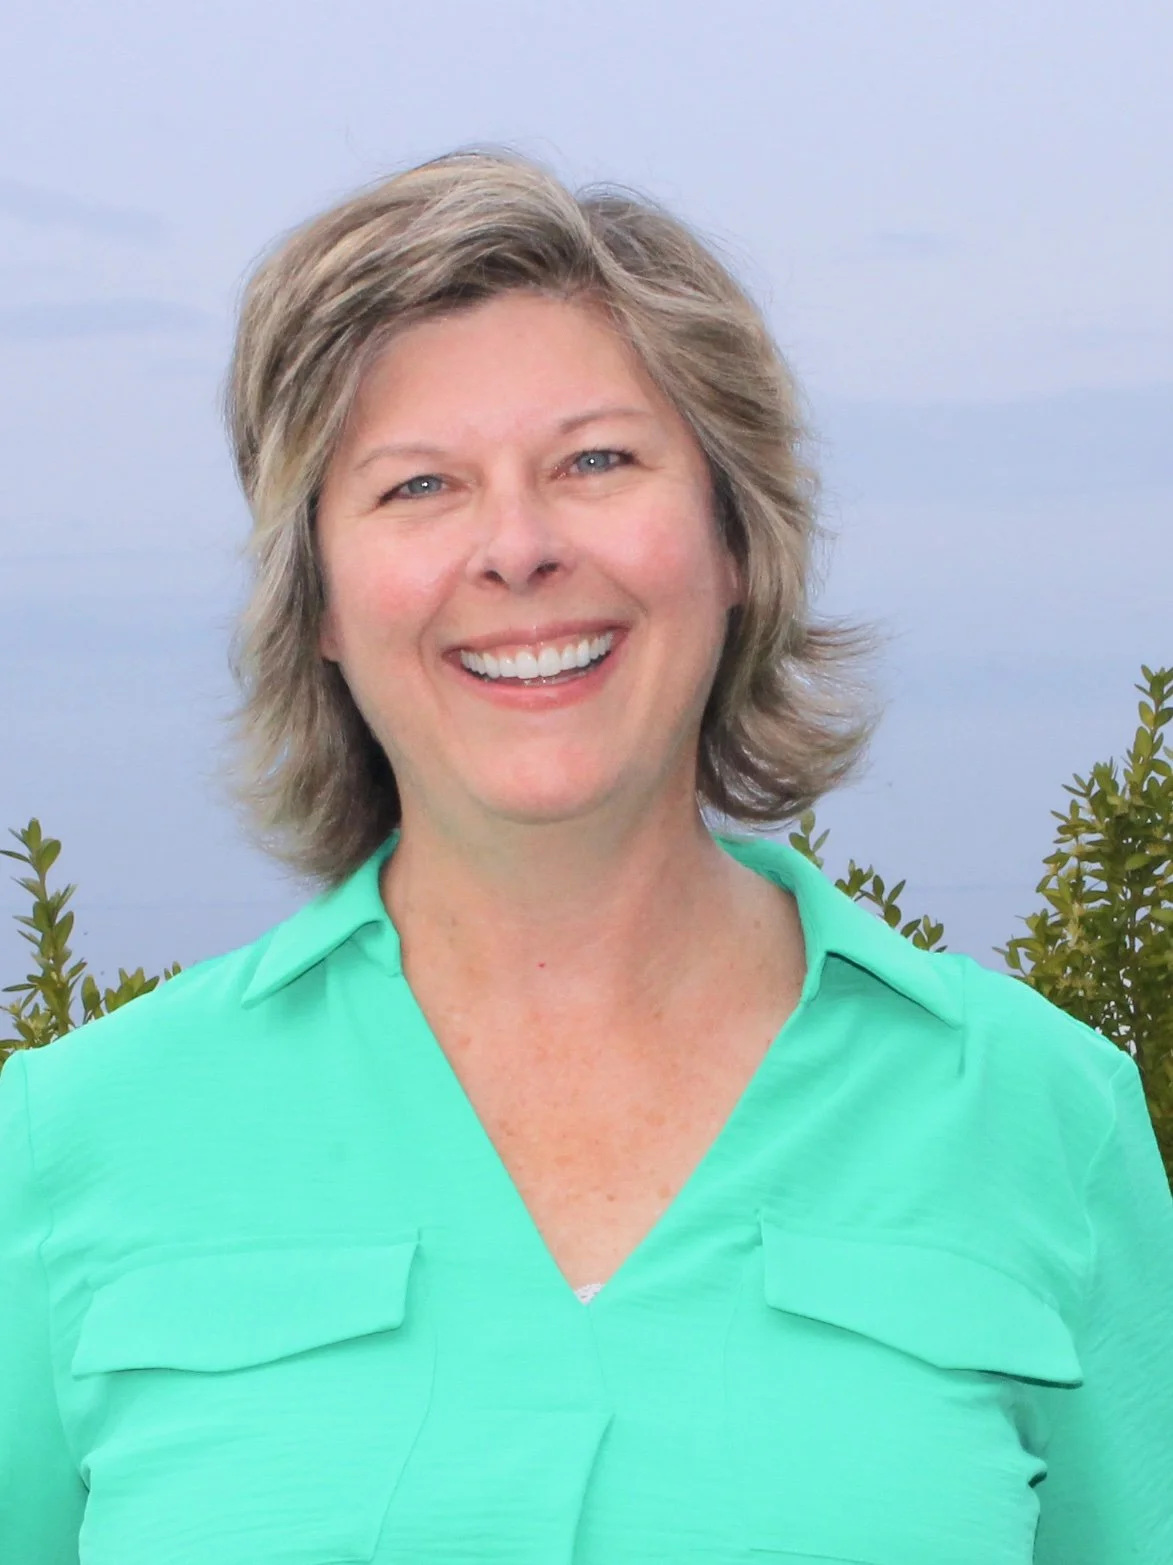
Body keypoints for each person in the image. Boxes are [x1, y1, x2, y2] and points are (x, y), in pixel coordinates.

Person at [1, 149, 1170, 1565]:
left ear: (739, 540)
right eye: (419, 485)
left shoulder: (1046, 1121)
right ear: (314, 598)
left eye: (597, 461)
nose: (518, 547)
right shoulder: (72, 1147)